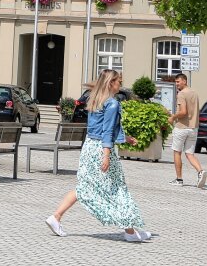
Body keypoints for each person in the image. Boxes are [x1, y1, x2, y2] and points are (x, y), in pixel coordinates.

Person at [46, 69, 152, 242]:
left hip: (90, 146)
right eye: (119, 81)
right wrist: (106, 156)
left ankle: (56, 217)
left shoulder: (95, 99)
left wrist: (125, 138)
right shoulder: (112, 103)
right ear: (111, 83)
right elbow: (107, 131)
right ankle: (130, 232)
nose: (121, 85)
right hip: (101, 150)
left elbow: (102, 128)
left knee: (86, 186)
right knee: (116, 188)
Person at [169, 73, 206, 188]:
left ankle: (179, 179)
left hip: (182, 127)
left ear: (184, 81)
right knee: (190, 154)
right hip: (193, 128)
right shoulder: (194, 93)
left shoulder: (181, 94)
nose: (177, 84)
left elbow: (183, 112)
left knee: (177, 152)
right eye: (176, 82)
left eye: (178, 82)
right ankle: (200, 171)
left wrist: (173, 117)